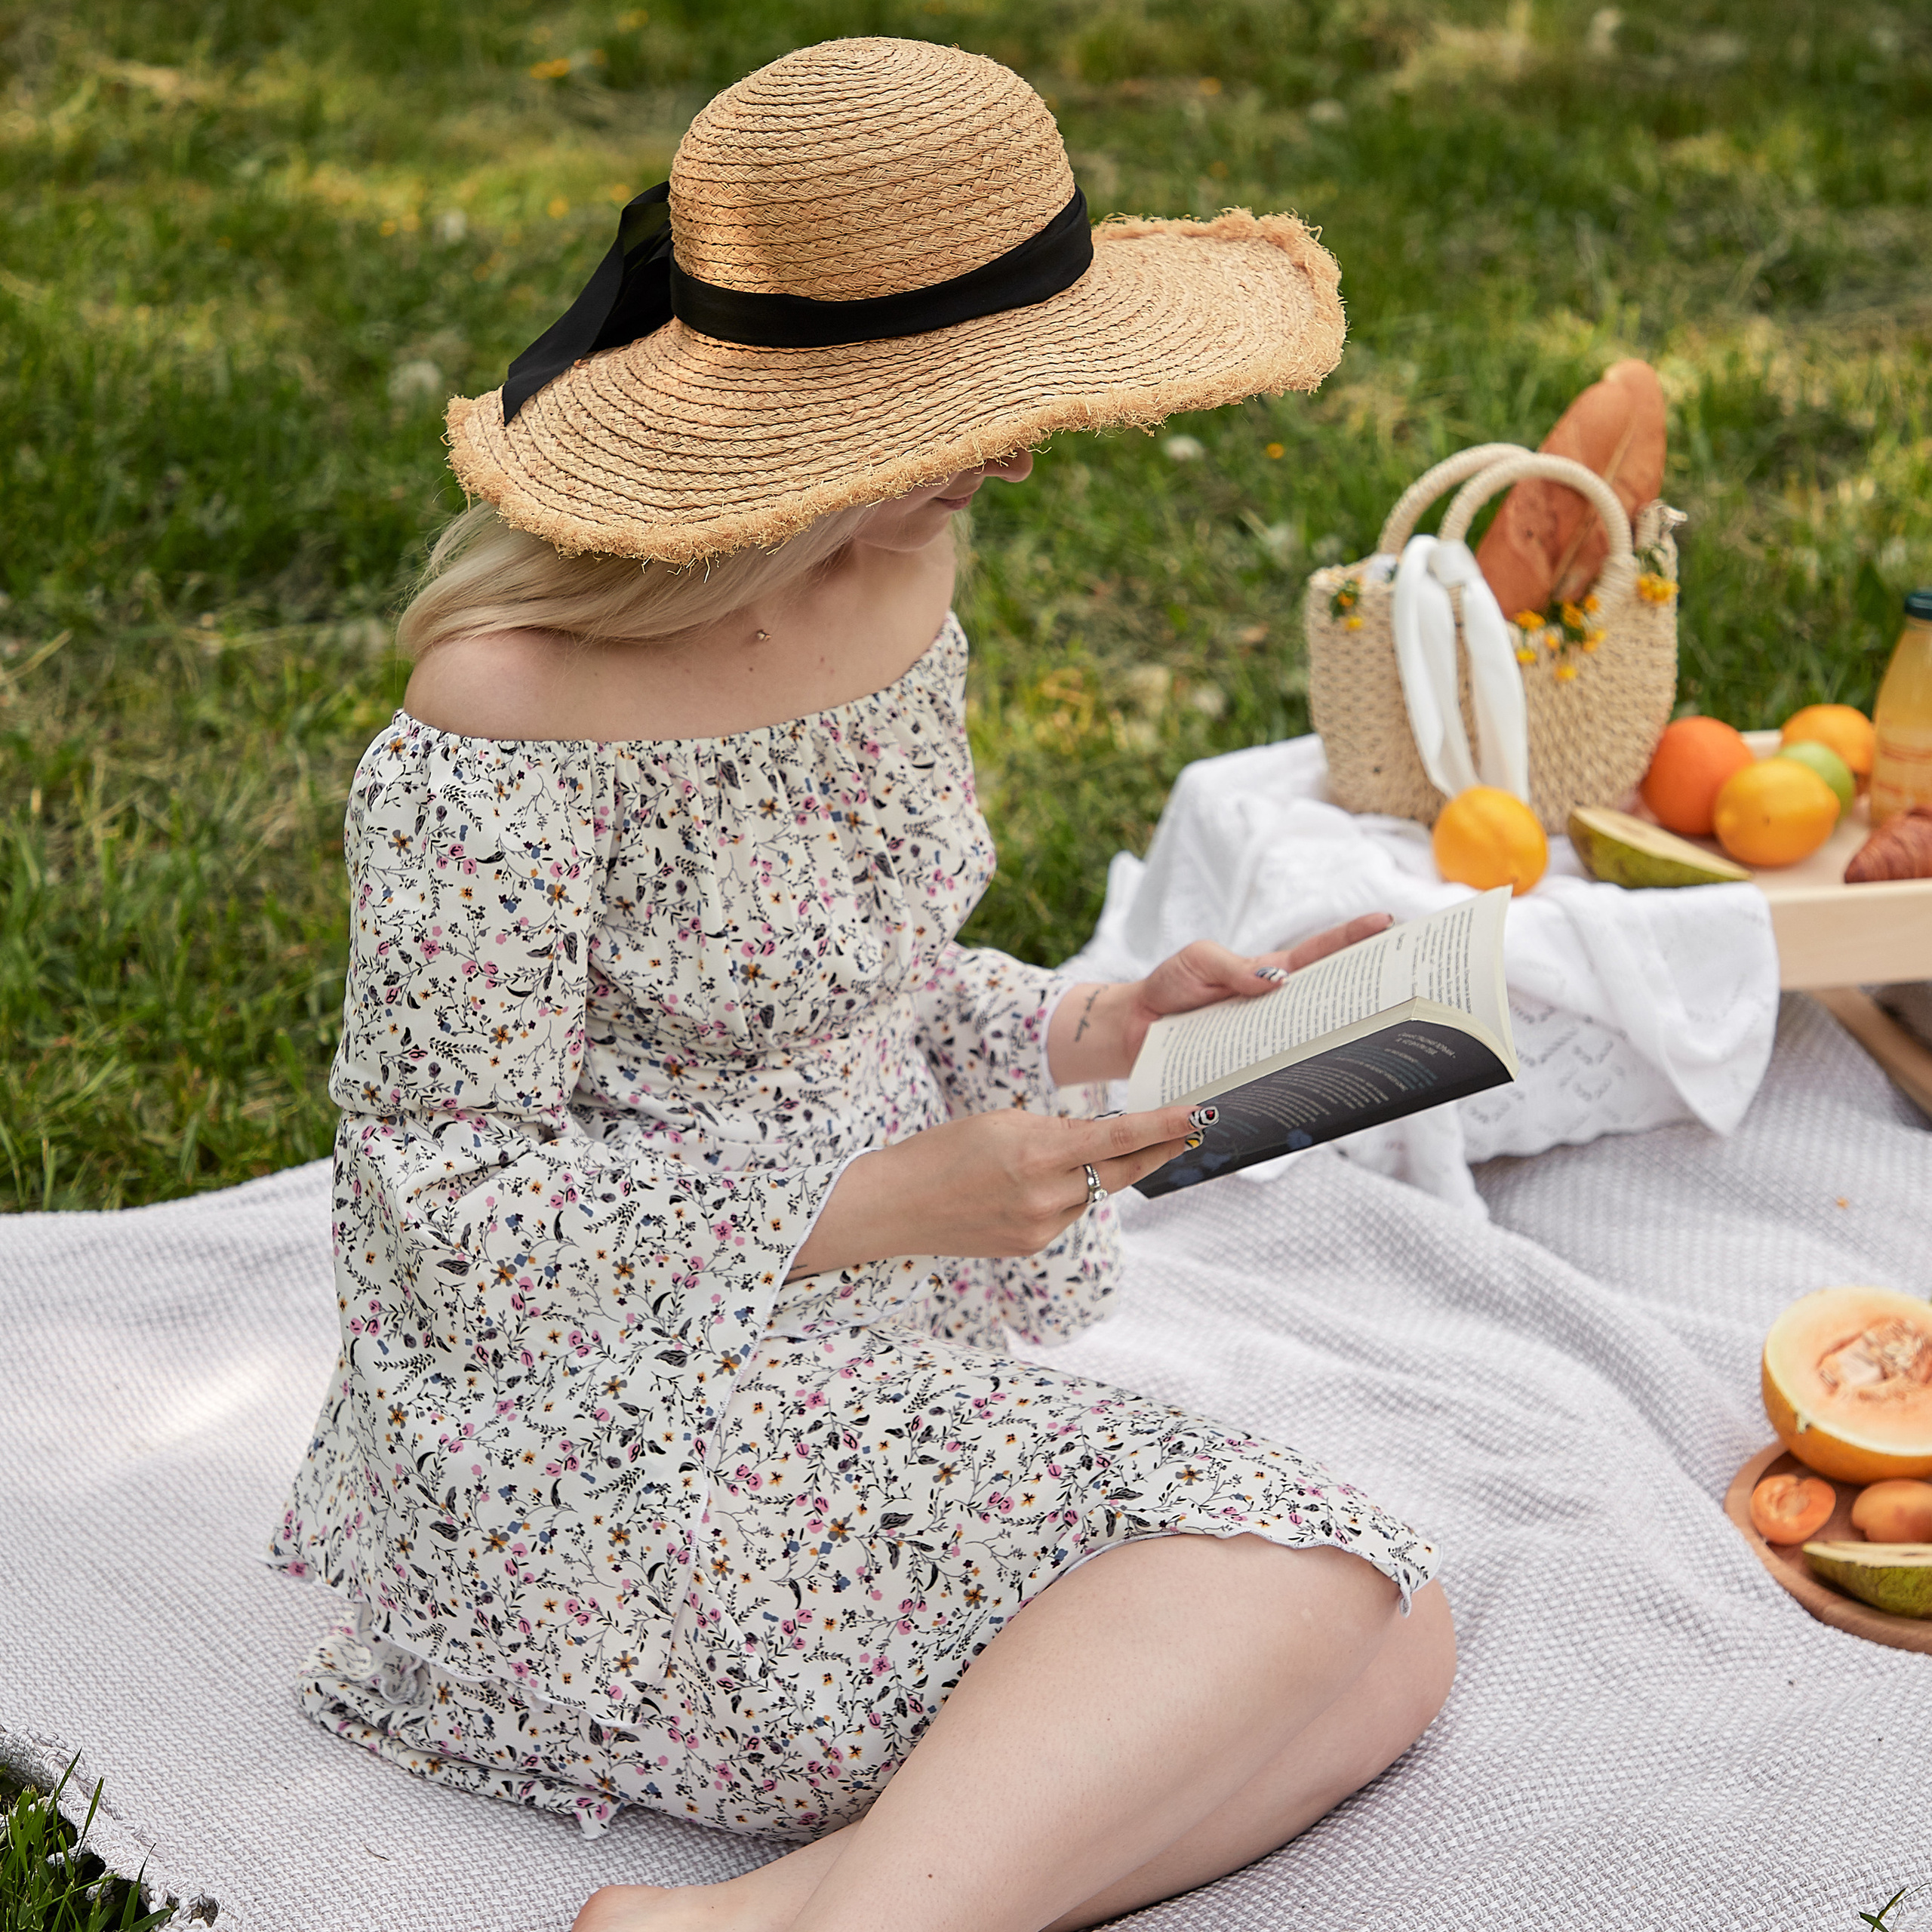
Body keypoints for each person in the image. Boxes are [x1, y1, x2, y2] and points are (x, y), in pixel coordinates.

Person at [268, 35, 1454, 1932]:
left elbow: (861, 986)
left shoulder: (909, 575)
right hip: (579, 1440)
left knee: (1391, 1645)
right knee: (1320, 1588)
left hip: (857, 1363)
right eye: (965, 399)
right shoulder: (498, 722)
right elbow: (434, 1213)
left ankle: (775, 1915)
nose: (1021, 439)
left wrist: (1098, 1020)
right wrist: (878, 1200)